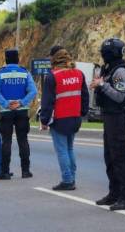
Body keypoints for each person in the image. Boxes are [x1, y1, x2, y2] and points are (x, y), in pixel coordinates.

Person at [91, 38, 125, 211]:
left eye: (105, 52)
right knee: (109, 157)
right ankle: (114, 193)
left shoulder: (121, 72)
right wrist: (98, 85)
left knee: (119, 158)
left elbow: (119, 97)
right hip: (109, 116)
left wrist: (102, 84)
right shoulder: (109, 69)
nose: (103, 56)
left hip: (118, 117)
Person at [40, 47, 89, 191]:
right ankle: (72, 178)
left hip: (60, 119)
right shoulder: (79, 74)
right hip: (75, 118)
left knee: (62, 150)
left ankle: (67, 180)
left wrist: (44, 120)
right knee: (69, 148)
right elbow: (85, 96)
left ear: (54, 58)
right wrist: (82, 113)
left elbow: (47, 102)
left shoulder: (52, 76)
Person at [0, 49, 38, 180]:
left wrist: (6, 104)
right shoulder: (25, 72)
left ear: (6, 59)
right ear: (18, 59)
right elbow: (33, 91)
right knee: (23, 140)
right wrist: (21, 102)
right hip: (22, 111)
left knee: (6, 141)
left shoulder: (0, 73)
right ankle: (26, 171)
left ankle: (5, 172)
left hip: (6, 112)